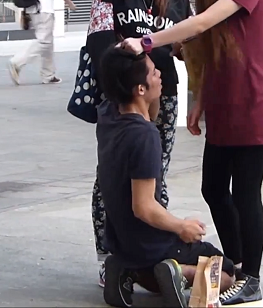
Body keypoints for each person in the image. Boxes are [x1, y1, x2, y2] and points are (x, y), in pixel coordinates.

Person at [119, 0, 263, 306]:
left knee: (245, 193)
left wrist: (146, 41)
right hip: (223, 103)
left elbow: (201, 23)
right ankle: (237, 264)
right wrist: (200, 101)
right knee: (213, 188)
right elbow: (207, 52)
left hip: (253, 103)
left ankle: (251, 277)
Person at [85, 0, 192, 288]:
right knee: (111, 179)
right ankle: (110, 256)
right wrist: (123, 90)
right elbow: (99, 42)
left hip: (162, 96)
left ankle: (150, 256)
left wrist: (181, 50)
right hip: (123, 99)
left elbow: (186, 41)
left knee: (153, 177)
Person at [96, 47, 236, 308]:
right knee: (224, 271)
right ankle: (178, 274)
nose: (160, 75)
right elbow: (144, 206)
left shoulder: (108, 118)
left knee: (153, 267)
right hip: (151, 241)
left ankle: (127, 270)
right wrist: (181, 226)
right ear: (140, 88)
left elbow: (148, 111)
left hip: (123, 243)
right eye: (153, 72)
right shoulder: (144, 137)